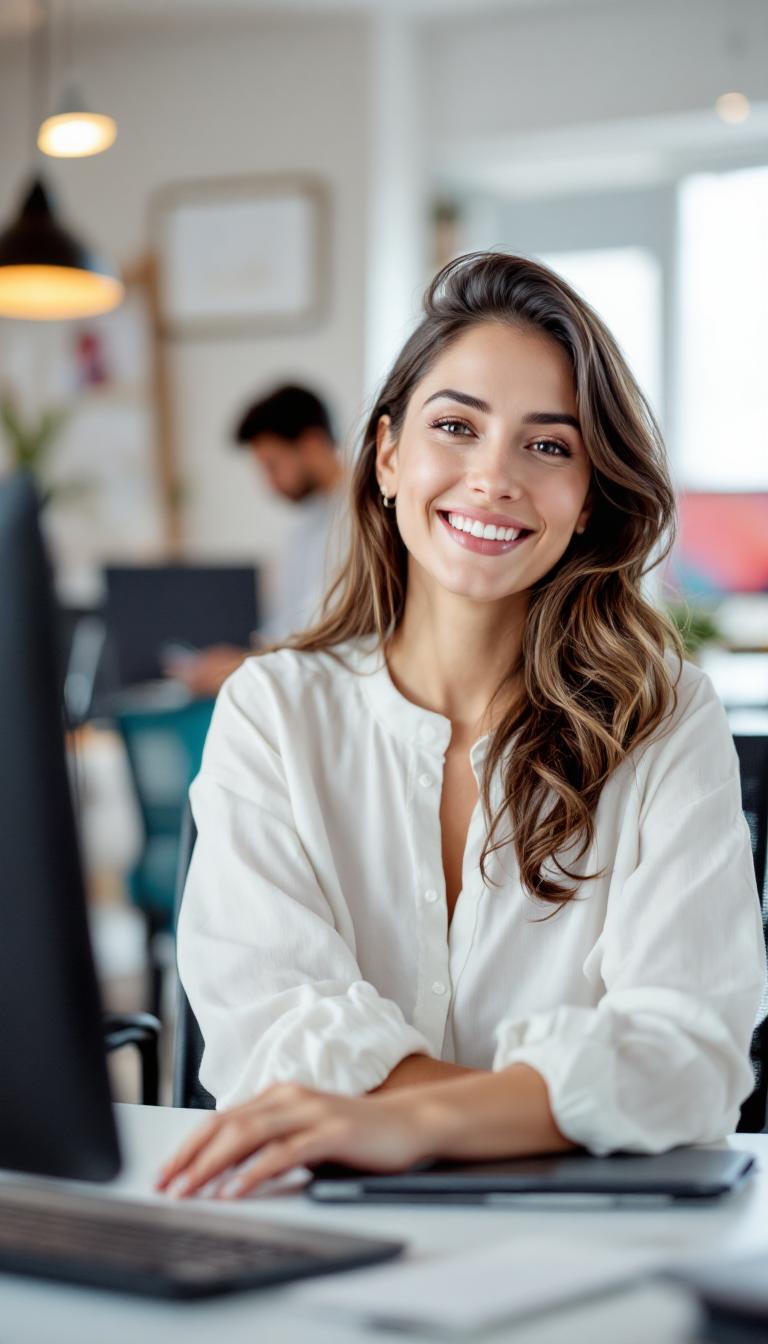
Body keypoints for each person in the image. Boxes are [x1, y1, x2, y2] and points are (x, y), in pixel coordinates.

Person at [157, 252, 765, 1200]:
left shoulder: (666, 718)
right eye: (456, 428)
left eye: (549, 446)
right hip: (317, 1236)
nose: (495, 479)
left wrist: (413, 1122)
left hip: (589, 1251)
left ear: (591, 495)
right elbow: (271, 1028)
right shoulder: (273, 711)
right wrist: (549, 1108)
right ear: (390, 456)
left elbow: (690, 1052)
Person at [164, 384, 346, 696]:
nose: (269, 484)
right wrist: (239, 661)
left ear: (313, 443)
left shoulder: (365, 523)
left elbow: (333, 643)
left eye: (272, 465)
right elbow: (287, 632)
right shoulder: (304, 528)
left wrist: (242, 665)